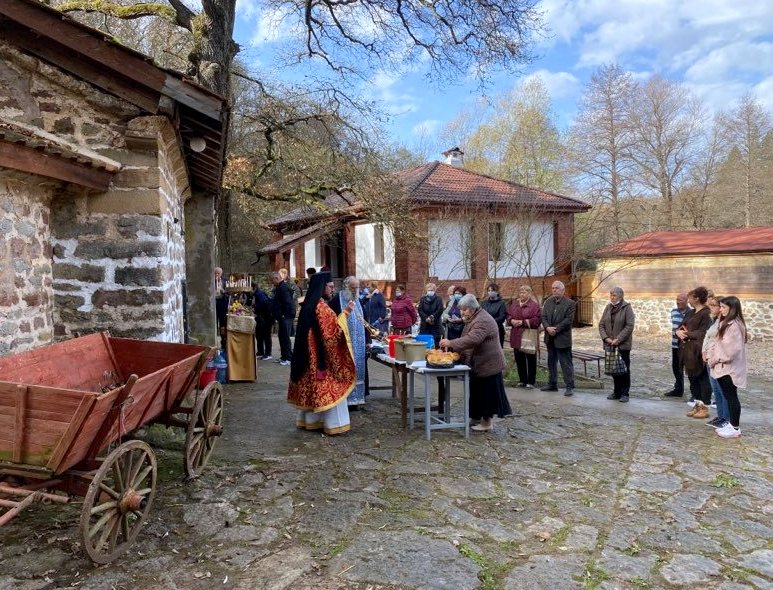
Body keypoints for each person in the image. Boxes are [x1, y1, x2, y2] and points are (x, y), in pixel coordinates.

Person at [288, 272, 357, 435]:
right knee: (334, 383)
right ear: (322, 287)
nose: (333, 289)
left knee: (312, 386)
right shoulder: (322, 307)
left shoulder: (308, 304)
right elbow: (331, 336)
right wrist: (346, 313)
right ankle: (335, 424)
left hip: (308, 357)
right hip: (319, 357)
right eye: (330, 286)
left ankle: (311, 421)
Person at [439, 294, 512, 432]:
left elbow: (473, 339)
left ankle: (486, 423)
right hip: (479, 363)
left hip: (489, 364)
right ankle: (476, 417)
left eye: (465, 309)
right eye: (461, 309)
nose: (462, 312)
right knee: (477, 392)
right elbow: (466, 338)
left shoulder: (482, 320)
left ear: (472, 308)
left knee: (487, 394)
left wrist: (451, 343)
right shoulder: (473, 318)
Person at [707, 296, 748, 439]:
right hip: (721, 366)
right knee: (727, 395)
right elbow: (716, 342)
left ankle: (735, 427)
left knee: (731, 396)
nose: (721, 309)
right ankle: (731, 425)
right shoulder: (726, 323)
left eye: (724, 307)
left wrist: (714, 359)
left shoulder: (734, 326)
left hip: (729, 368)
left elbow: (730, 351)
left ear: (732, 308)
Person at [329, 276, 368, 408]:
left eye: (357, 287)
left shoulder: (358, 301)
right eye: (353, 287)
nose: (356, 290)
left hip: (360, 344)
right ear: (346, 286)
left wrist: (368, 340)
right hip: (344, 344)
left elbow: (365, 321)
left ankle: (357, 399)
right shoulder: (336, 301)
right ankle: (345, 399)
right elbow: (332, 323)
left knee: (359, 370)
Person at [677, 286, 712, 419]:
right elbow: (681, 325)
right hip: (687, 350)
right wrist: (678, 332)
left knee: (702, 378)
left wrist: (688, 334)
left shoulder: (706, 313)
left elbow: (704, 332)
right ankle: (697, 404)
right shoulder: (690, 312)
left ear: (697, 298)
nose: (689, 300)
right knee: (692, 379)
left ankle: (705, 407)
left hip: (698, 350)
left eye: (690, 297)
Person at [599, 286, 636, 403]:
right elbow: (601, 325)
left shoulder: (627, 308)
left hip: (622, 345)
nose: (612, 297)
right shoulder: (608, 308)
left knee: (624, 369)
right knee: (614, 369)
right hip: (610, 344)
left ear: (621, 296)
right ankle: (616, 392)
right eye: (611, 295)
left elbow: (629, 325)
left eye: (614, 295)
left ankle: (625, 393)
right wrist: (606, 338)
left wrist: (618, 339)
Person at [541, 281, 576, 396]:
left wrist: (555, 329)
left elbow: (568, 320)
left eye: (557, 288)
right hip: (549, 337)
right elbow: (544, 317)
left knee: (565, 363)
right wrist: (547, 327)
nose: (554, 290)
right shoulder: (548, 302)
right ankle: (552, 384)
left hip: (562, 338)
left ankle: (570, 386)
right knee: (551, 362)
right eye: (553, 288)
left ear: (562, 290)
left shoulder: (570, 303)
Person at [703, 295, 731, 428]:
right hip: (710, 359)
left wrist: (712, 357)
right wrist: (704, 352)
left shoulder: (725, 323)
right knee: (716, 390)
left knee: (723, 390)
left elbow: (719, 343)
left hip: (718, 361)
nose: (711, 308)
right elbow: (708, 337)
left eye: (714, 305)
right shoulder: (714, 320)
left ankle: (726, 418)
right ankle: (720, 416)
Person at [507, 285, 542, 389]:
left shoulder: (534, 306)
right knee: (519, 358)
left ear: (529, 294)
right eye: (521, 292)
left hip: (528, 335)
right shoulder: (514, 304)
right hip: (516, 334)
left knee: (530, 358)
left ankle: (531, 381)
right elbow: (508, 315)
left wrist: (523, 322)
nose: (522, 294)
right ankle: (522, 380)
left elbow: (537, 320)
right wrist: (511, 321)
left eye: (524, 292)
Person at [664, 292, 689, 397]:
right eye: (677, 299)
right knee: (676, 367)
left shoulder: (691, 312)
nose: (678, 302)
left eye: (680, 300)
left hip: (687, 346)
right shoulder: (673, 311)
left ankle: (696, 393)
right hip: (675, 345)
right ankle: (678, 389)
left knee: (690, 369)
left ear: (687, 301)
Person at [269, 271, 296, 366]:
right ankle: (284, 356)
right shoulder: (280, 287)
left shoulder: (283, 288)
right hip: (283, 316)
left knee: (285, 336)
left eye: (272, 280)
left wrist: (284, 314)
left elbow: (287, 302)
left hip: (286, 316)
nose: (272, 282)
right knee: (281, 336)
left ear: (276, 278)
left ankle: (288, 357)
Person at [418, 282, 444, 347]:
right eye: (428, 290)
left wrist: (432, 317)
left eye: (431, 290)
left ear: (434, 290)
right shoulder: (422, 299)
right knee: (424, 344)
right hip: (425, 326)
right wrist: (426, 318)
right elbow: (420, 310)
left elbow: (440, 310)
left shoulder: (439, 299)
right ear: (426, 290)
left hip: (436, 326)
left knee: (435, 345)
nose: (430, 291)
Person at [481, 283, 507, 347]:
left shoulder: (501, 303)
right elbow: (480, 314)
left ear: (497, 292)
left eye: (492, 290)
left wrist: (490, 322)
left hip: (497, 330)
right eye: (489, 291)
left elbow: (502, 317)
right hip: (485, 330)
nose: (490, 292)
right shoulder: (484, 303)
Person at [252, 282, 274, 361]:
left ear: (253, 288)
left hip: (265, 318)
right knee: (259, 335)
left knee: (266, 336)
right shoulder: (256, 294)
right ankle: (260, 351)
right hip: (260, 318)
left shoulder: (259, 294)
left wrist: (255, 306)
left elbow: (264, 303)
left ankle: (268, 353)